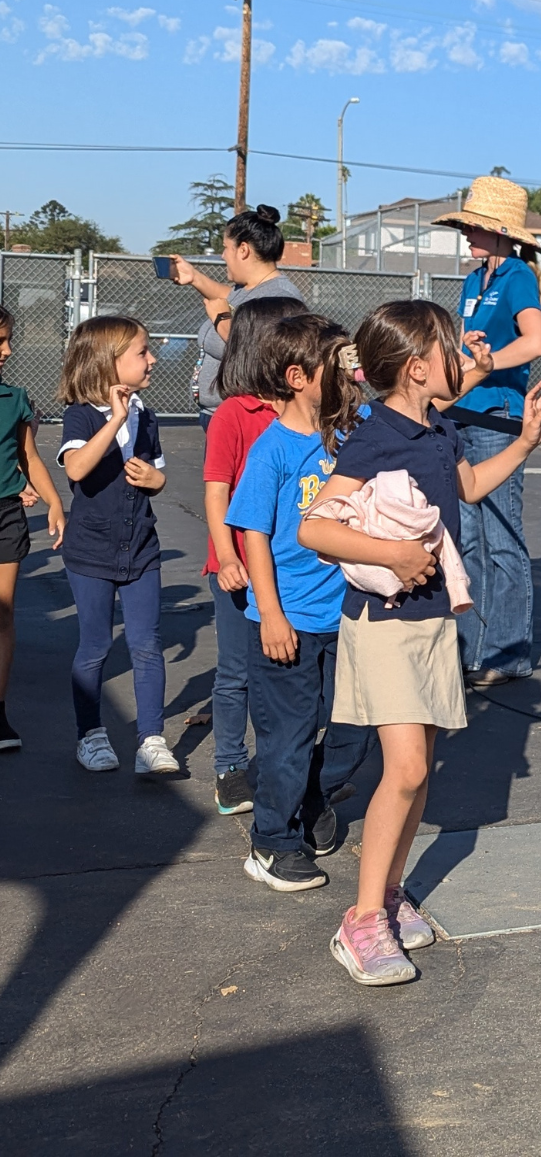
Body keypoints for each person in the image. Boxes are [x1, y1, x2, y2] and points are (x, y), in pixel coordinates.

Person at [297, 300, 541, 986]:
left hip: (434, 620)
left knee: (416, 773)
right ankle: (361, 921)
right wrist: (392, 553)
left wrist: (523, 444)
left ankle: (388, 891)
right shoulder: (376, 434)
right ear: (417, 369)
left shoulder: (439, 430)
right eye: (452, 352)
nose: (464, 360)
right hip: (384, 624)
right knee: (406, 770)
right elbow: (316, 528)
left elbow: (466, 488)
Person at [230, 314, 366, 891]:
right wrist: (272, 614)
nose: (351, 374)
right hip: (287, 621)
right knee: (286, 738)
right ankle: (271, 841)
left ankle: (312, 794)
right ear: (298, 376)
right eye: (338, 365)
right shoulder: (273, 450)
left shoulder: (353, 431)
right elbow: (253, 534)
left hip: (350, 617)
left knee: (352, 733)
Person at [433, 175, 541, 688]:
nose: (466, 233)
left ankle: (508, 653)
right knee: (468, 540)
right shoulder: (471, 280)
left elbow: (536, 342)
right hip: (464, 415)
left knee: (502, 538)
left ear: (502, 232)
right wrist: (446, 389)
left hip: (500, 416)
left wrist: (486, 364)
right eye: (465, 225)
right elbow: (463, 349)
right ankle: (471, 651)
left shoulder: (519, 275)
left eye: (474, 226)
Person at [193, 294, 308, 809]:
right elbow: (217, 489)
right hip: (238, 568)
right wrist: (228, 556)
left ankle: (286, 764)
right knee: (237, 671)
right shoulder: (234, 414)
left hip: (289, 567)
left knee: (287, 671)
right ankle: (230, 767)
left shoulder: (307, 412)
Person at [58, 316, 172, 776]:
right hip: (90, 554)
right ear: (109, 361)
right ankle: (91, 734)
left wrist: (156, 479)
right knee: (96, 645)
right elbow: (77, 469)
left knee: (147, 644)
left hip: (141, 548)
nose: (153, 359)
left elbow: (158, 475)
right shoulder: (81, 414)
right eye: (143, 352)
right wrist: (116, 419)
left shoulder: (147, 414)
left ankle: (151, 739)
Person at [0, 305, 65, 753]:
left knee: (3, 614)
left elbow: (29, 457)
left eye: (8, 341)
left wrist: (55, 501)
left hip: (5, 513)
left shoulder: (16, 398)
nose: (6, 351)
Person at [170, 203, 305, 418]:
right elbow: (231, 297)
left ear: (243, 250)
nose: (223, 256)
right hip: (219, 414)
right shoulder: (248, 288)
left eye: (226, 247)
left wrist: (222, 319)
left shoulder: (281, 297)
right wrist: (193, 277)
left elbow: (261, 355)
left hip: (246, 419)